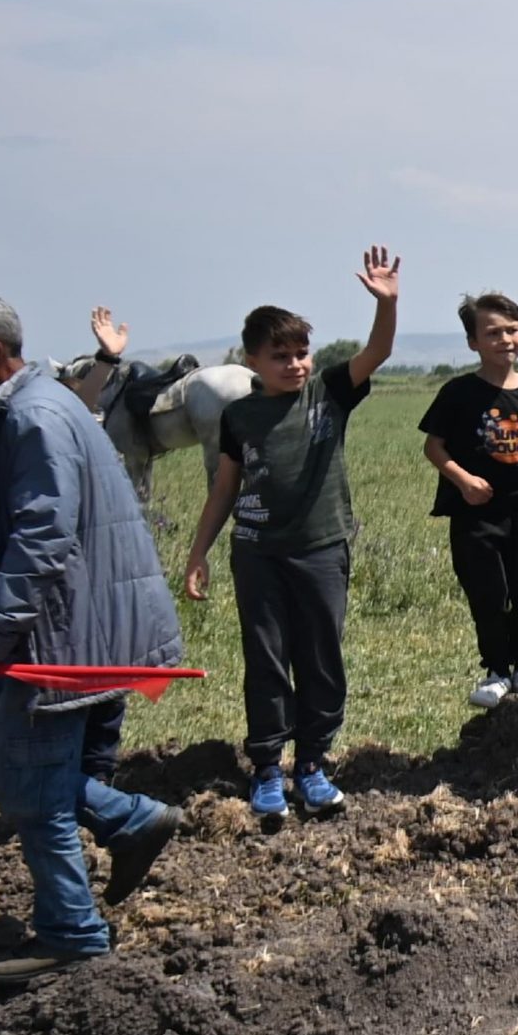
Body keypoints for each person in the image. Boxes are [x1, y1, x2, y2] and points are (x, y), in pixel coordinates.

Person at [0, 291, 184, 986]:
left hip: (61, 637)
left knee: (35, 792)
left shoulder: (33, 416)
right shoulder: (38, 402)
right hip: (73, 627)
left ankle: (72, 933)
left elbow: (41, 539)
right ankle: (128, 819)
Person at [181, 247, 401, 824]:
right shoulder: (240, 417)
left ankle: (313, 765)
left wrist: (387, 304)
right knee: (268, 660)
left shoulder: (327, 393)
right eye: (280, 356)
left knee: (322, 658)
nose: (295, 364)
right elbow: (225, 490)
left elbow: (377, 352)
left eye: (301, 352)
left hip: (322, 549)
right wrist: (199, 550)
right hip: (257, 555)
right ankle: (266, 770)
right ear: (251, 359)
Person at [421, 293, 518, 713]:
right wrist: (463, 481)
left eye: (512, 330)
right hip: (473, 513)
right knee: (488, 592)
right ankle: (497, 671)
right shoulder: (459, 392)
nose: (505, 340)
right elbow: (434, 447)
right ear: (473, 343)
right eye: (493, 333)